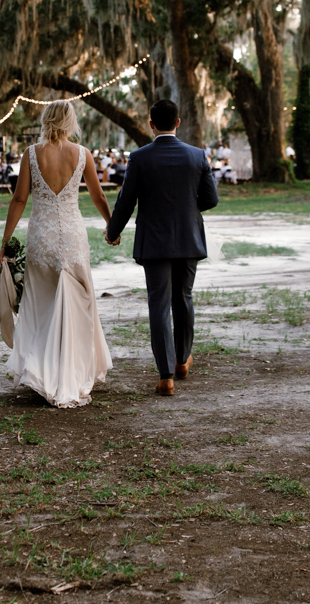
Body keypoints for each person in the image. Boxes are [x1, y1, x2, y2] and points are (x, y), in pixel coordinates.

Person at [0, 101, 114, 409]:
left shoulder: (31, 154)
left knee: (42, 304)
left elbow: (20, 198)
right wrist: (111, 226)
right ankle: (72, 371)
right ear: (71, 121)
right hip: (73, 237)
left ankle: (41, 371)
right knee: (79, 302)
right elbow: (98, 195)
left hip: (42, 237)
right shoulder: (82, 154)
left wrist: (5, 240)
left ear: (46, 119)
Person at [103, 99, 220, 397]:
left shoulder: (140, 157)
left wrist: (113, 231)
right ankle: (183, 361)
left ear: (151, 124)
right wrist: (188, 211)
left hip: (154, 241)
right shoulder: (197, 155)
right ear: (178, 122)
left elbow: (126, 200)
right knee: (184, 297)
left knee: (159, 303)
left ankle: (166, 375)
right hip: (189, 237)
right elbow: (211, 199)